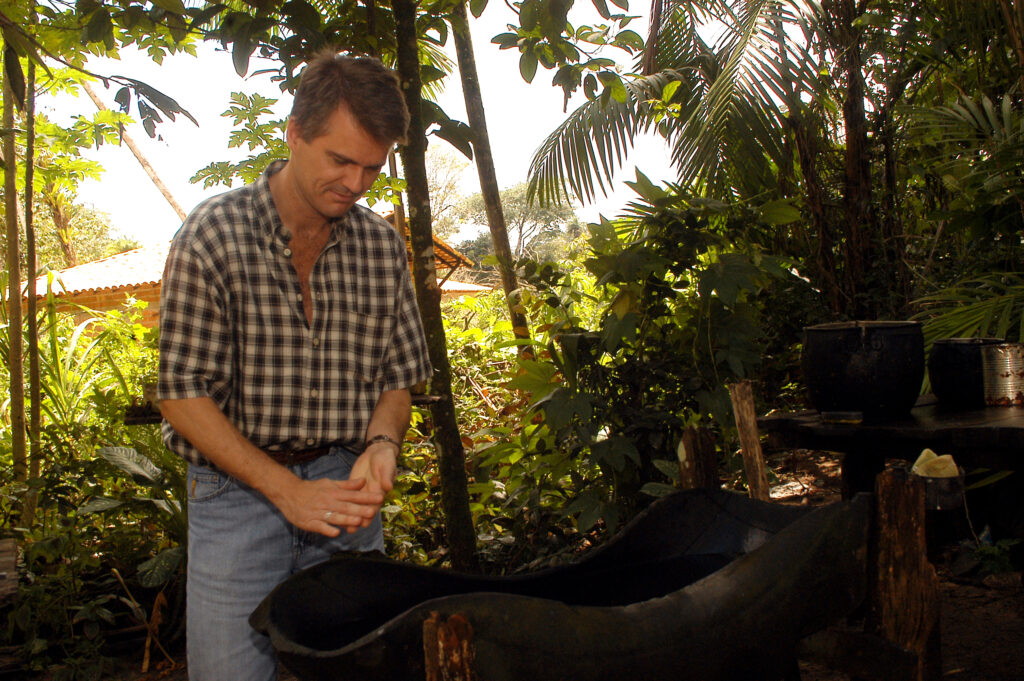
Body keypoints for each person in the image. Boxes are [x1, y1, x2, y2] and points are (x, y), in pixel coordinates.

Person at [157, 51, 432, 681]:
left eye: (372, 167)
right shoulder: (214, 234)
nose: (356, 182)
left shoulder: (381, 247)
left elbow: (398, 378)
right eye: (340, 160)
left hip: (344, 488)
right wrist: (287, 491)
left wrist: (382, 445)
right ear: (295, 134)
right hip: (234, 494)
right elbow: (180, 392)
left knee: (357, 669)